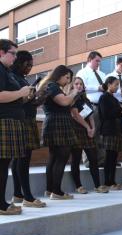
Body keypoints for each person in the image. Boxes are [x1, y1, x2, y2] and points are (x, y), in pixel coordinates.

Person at [10, 50, 46, 208]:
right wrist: (28, 96)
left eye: (32, 65)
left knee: (20, 159)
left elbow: (29, 102)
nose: (29, 68)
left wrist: (39, 97)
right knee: (22, 160)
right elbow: (17, 100)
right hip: (21, 120)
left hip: (28, 118)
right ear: (19, 62)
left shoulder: (21, 78)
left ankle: (18, 194)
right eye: (27, 64)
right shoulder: (13, 78)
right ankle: (27, 197)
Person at [0, 39, 31, 215]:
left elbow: (14, 97)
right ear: (1, 53)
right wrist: (21, 92)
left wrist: (27, 95)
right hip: (3, 121)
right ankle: (1, 205)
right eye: (13, 53)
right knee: (2, 165)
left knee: (4, 164)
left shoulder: (7, 71)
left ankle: (2, 202)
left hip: (11, 120)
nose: (15, 57)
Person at [40, 65, 79, 200]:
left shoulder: (50, 85)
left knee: (54, 157)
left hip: (54, 123)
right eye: (67, 77)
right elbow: (63, 102)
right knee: (61, 157)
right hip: (58, 123)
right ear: (59, 75)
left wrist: (70, 94)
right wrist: (74, 92)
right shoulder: (53, 86)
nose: (68, 81)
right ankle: (56, 192)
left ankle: (50, 189)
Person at [69, 77, 108, 194]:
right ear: (72, 86)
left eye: (81, 84)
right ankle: (78, 186)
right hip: (76, 130)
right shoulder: (71, 98)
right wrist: (88, 127)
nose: (79, 86)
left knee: (93, 158)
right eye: (76, 84)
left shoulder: (85, 99)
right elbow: (76, 115)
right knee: (76, 159)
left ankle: (97, 185)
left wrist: (93, 128)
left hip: (88, 131)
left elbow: (90, 115)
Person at [76, 51, 106, 166]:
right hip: (90, 106)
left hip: (102, 107)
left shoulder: (102, 74)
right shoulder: (82, 72)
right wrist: (97, 88)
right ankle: (88, 161)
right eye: (97, 61)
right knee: (89, 132)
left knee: (100, 134)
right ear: (89, 59)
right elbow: (80, 87)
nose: (98, 63)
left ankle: (101, 159)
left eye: (100, 61)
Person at [98, 76, 122, 191]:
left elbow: (119, 115)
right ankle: (107, 182)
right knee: (109, 157)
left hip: (117, 129)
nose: (117, 87)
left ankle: (112, 181)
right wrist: (120, 109)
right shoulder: (104, 97)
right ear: (109, 84)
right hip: (109, 130)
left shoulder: (114, 98)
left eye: (118, 85)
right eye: (115, 84)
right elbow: (106, 115)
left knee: (114, 157)